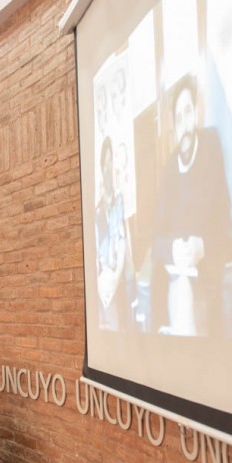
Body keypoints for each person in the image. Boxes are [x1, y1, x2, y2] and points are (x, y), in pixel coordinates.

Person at [151, 74, 232, 337]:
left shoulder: (212, 148)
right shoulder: (167, 171)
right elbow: (157, 238)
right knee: (177, 291)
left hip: (209, 263)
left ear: (196, 114)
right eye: (178, 118)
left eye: (188, 113)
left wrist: (204, 245)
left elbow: (225, 222)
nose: (184, 124)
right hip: (178, 271)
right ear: (174, 127)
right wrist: (173, 249)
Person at [96, 136, 131, 330]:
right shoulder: (96, 212)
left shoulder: (120, 203)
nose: (109, 168)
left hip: (119, 281)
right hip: (102, 287)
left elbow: (123, 244)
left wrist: (115, 279)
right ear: (102, 168)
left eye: (112, 161)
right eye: (106, 162)